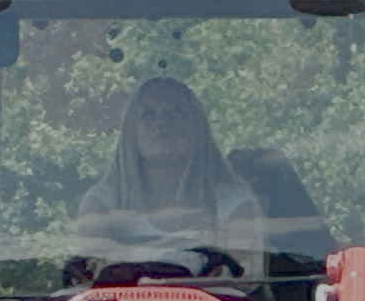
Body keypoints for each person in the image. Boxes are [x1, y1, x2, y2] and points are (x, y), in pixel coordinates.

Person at [76, 76, 263, 277]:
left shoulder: (235, 205)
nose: (162, 123)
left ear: (197, 128)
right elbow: (91, 280)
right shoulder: (101, 207)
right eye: (148, 115)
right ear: (131, 132)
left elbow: (244, 279)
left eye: (176, 113)